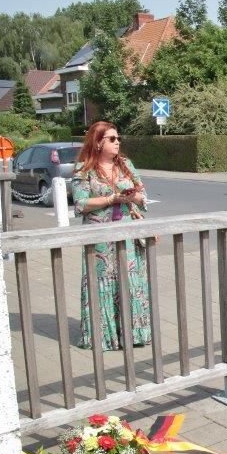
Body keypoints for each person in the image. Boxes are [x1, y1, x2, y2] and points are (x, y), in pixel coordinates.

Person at [72, 121, 152, 351]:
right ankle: (106, 336)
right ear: (98, 142)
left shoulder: (126, 165)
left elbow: (143, 197)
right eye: (112, 139)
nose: (118, 143)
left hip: (128, 234)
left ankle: (133, 333)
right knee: (104, 282)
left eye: (118, 139)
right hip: (100, 239)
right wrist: (112, 199)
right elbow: (80, 204)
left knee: (130, 281)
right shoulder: (84, 170)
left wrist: (133, 197)